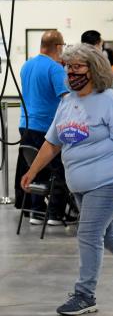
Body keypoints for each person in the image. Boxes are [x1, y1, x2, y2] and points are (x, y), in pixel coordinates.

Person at [20, 44, 113, 316]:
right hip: (81, 183)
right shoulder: (67, 102)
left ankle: (85, 294)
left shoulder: (110, 100)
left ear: (93, 70)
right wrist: (32, 170)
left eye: (78, 67)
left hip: (110, 179)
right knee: (105, 231)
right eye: (68, 68)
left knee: (89, 232)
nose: (71, 73)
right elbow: (52, 142)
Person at [14, 29, 71, 225]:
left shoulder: (27, 65)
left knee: (36, 168)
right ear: (58, 47)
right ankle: (55, 213)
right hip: (46, 127)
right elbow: (67, 98)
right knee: (59, 170)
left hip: (25, 125)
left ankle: (36, 211)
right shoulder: (55, 69)